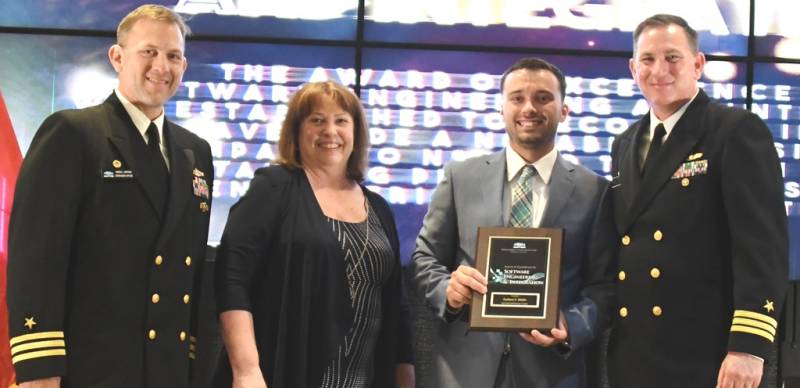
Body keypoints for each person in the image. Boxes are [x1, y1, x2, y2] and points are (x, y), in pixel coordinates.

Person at [6, 4, 214, 388]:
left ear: (184, 66)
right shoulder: (73, 134)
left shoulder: (195, 151)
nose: (161, 66)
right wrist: (40, 370)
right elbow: (37, 259)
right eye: (148, 52)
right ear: (117, 57)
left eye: (173, 56)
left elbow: (193, 273)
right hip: (92, 370)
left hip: (167, 372)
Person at [600, 14, 788, 388]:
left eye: (673, 57)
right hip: (635, 354)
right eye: (648, 60)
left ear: (697, 64)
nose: (659, 70)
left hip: (712, 356)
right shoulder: (624, 142)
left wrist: (748, 349)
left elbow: (762, 250)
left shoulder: (734, 130)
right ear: (633, 68)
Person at [410, 57, 609, 387]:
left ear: (564, 110)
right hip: (465, 371)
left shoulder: (594, 190)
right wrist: (449, 291)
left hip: (552, 372)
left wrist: (571, 325)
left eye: (543, 97)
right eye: (517, 98)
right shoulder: (460, 177)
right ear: (502, 108)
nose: (529, 108)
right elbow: (424, 259)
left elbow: (604, 286)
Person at [214, 81, 415, 388]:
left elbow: (396, 307)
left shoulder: (379, 208)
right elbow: (231, 278)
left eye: (341, 121)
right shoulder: (274, 187)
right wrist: (246, 370)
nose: (330, 131)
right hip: (283, 374)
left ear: (356, 132)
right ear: (297, 131)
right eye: (317, 120)